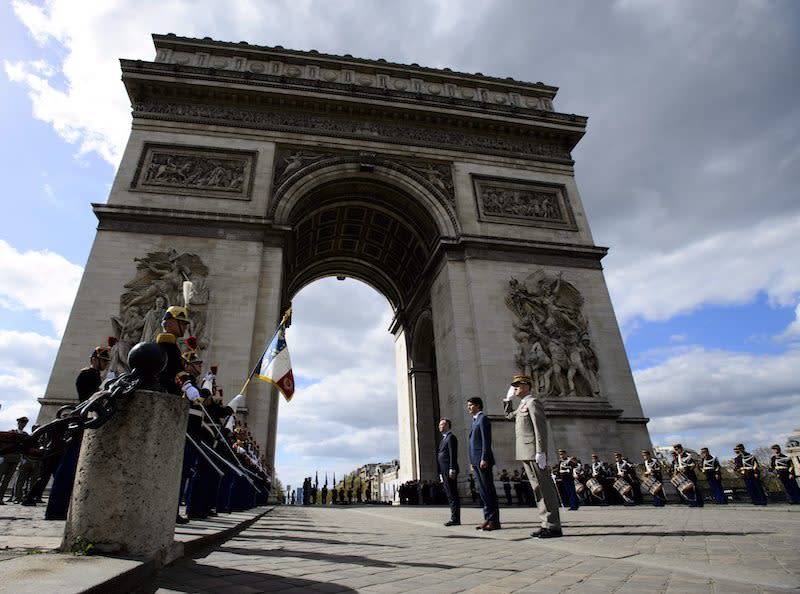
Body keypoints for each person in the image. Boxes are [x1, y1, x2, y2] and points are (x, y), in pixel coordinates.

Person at [503, 374, 562, 538]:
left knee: (545, 488)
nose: (515, 388)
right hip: (524, 452)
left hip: (534, 452)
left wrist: (541, 451)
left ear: (527, 386)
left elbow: (540, 429)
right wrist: (507, 400)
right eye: (514, 386)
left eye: (518, 385)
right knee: (537, 489)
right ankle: (545, 523)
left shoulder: (533, 402)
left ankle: (553, 525)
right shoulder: (522, 405)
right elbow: (508, 417)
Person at [467, 396, 500, 531]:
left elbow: (486, 441)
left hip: (483, 460)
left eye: (470, 405)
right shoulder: (474, 421)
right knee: (483, 492)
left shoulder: (483, 419)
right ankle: (488, 518)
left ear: (478, 406)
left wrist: (484, 458)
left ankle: (494, 521)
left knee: (488, 490)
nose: (468, 407)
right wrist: (472, 461)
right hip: (476, 461)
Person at [437, 418, 461, 526]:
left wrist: (452, 468)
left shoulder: (451, 438)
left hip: (449, 470)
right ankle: (454, 517)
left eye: (442, 424)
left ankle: (455, 518)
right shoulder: (443, 439)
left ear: (448, 426)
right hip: (444, 471)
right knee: (449, 494)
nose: (440, 426)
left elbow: (453, 455)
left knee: (452, 494)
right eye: (439, 425)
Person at [0, 417, 29, 503]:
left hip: (15, 459)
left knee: (7, 480)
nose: (23, 424)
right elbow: (3, 444)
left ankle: (0, 498)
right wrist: (1, 456)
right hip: (6, 457)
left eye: (24, 423)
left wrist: (23, 458)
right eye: (21, 422)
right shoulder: (11, 433)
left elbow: (25, 448)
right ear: (18, 423)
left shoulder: (25, 435)